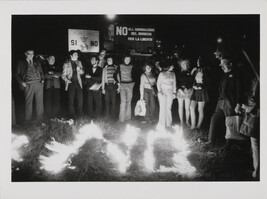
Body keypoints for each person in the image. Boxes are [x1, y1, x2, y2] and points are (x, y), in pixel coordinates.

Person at [205, 57, 242, 147]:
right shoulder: (224, 74)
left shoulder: (236, 74)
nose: (222, 67)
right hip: (221, 101)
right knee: (215, 118)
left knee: (230, 122)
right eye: (221, 65)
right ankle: (211, 140)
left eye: (223, 64)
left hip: (230, 102)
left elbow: (239, 90)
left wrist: (238, 104)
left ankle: (229, 144)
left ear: (230, 64)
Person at [15, 49, 44, 125]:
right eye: (29, 54)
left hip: (38, 84)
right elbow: (16, 74)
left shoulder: (37, 62)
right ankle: (28, 121)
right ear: (25, 54)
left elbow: (41, 72)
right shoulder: (21, 63)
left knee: (40, 103)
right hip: (28, 84)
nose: (31, 55)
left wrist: (43, 80)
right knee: (28, 103)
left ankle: (39, 120)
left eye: (33, 54)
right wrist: (22, 82)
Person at [62, 50, 84, 118]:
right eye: (75, 54)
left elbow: (83, 72)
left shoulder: (79, 62)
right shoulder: (66, 64)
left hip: (78, 83)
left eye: (77, 55)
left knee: (80, 99)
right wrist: (67, 80)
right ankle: (72, 114)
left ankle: (79, 113)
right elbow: (63, 75)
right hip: (71, 83)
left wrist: (80, 70)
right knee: (71, 100)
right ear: (71, 55)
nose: (77, 56)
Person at [114, 54, 135, 123]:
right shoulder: (120, 66)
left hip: (130, 86)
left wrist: (133, 82)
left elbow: (135, 74)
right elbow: (114, 75)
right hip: (122, 85)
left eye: (129, 59)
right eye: (126, 59)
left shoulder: (132, 66)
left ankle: (128, 118)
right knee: (123, 102)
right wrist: (118, 83)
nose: (127, 61)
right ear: (124, 59)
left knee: (129, 102)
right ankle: (121, 119)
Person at [190, 57, 209, 129]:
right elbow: (192, 80)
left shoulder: (206, 71)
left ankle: (198, 126)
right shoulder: (196, 71)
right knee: (191, 107)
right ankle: (193, 125)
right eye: (197, 61)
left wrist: (202, 87)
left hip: (202, 91)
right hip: (195, 90)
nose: (197, 63)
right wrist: (192, 72)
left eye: (199, 62)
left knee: (200, 109)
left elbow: (209, 83)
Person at [157, 60, 177, 127]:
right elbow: (158, 83)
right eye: (171, 65)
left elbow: (174, 83)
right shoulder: (162, 73)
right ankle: (161, 123)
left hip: (170, 91)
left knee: (168, 107)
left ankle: (169, 123)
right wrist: (160, 91)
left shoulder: (173, 74)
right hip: (163, 91)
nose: (173, 67)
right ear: (167, 66)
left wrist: (174, 92)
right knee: (162, 107)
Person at [42, 55, 61, 119]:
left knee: (56, 101)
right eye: (52, 59)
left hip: (56, 86)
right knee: (48, 101)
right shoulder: (44, 66)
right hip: (48, 86)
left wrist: (51, 73)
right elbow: (45, 75)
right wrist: (54, 74)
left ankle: (55, 116)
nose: (53, 60)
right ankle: (48, 116)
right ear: (48, 59)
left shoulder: (57, 66)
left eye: (54, 59)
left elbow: (60, 74)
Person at [176, 59, 194, 127]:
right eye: (183, 64)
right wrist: (180, 89)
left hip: (188, 91)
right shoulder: (178, 73)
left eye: (186, 64)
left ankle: (187, 121)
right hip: (180, 91)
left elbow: (192, 82)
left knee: (187, 107)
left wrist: (188, 88)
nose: (185, 65)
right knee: (180, 107)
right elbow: (176, 82)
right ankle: (181, 121)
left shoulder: (189, 73)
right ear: (181, 65)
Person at [102, 56, 118, 120]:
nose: (109, 60)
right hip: (107, 85)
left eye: (110, 59)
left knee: (113, 102)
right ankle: (107, 115)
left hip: (113, 86)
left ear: (113, 60)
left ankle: (113, 116)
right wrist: (103, 88)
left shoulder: (116, 68)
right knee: (107, 101)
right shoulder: (105, 68)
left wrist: (119, 87)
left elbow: (118, 78)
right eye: (108, 59)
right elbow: (103, 79)